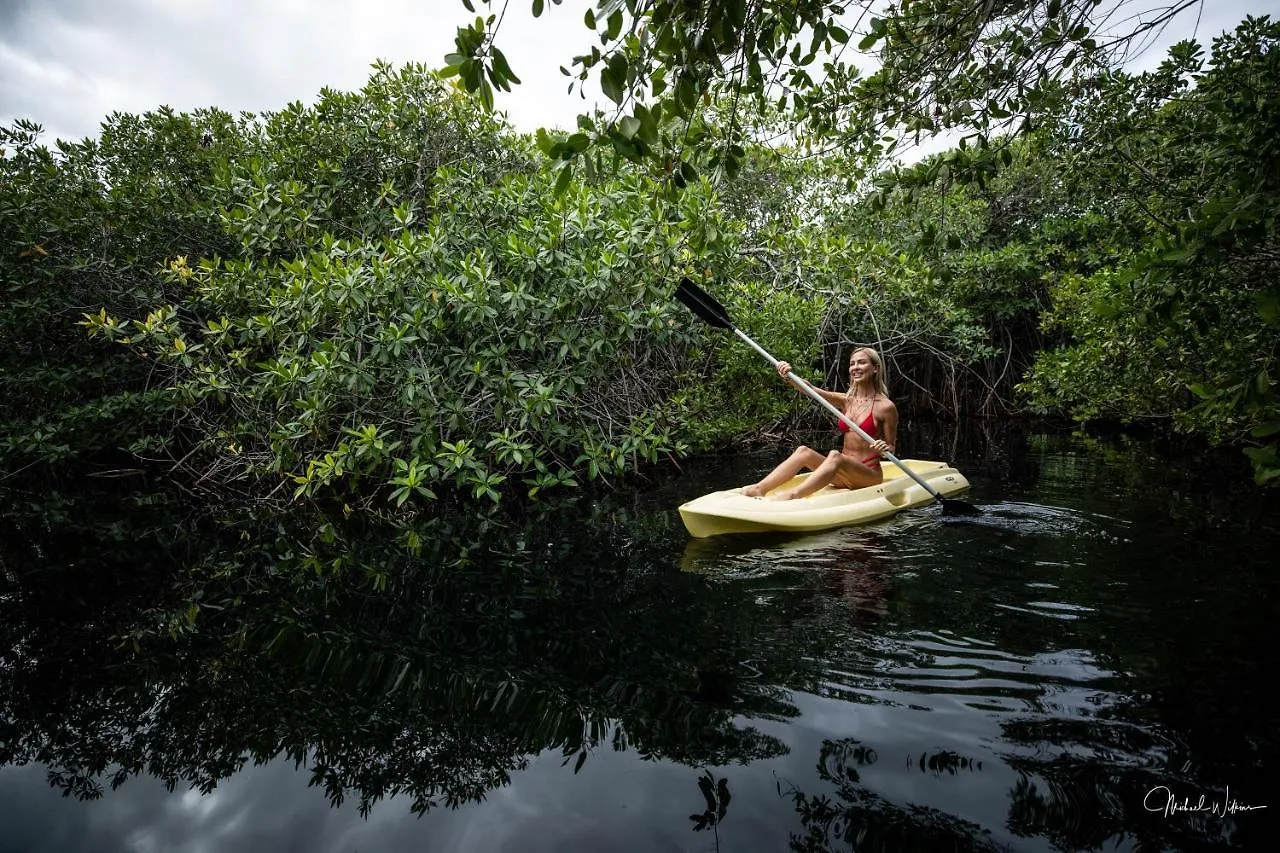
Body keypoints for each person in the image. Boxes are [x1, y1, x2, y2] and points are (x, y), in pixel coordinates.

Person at [742, 347, 897, 500]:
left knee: (835, 455)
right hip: (841, 474)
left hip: (867, 475)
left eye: (861, 363)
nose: (855, 367)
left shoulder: (885, 407)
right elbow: (810, 390)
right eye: (852, 364)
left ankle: (793, 496)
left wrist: (883, 448)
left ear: (875, 368)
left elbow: (890, 448)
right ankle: (759, 489)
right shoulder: (847, 401)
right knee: (803, 451)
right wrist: (789, 376)